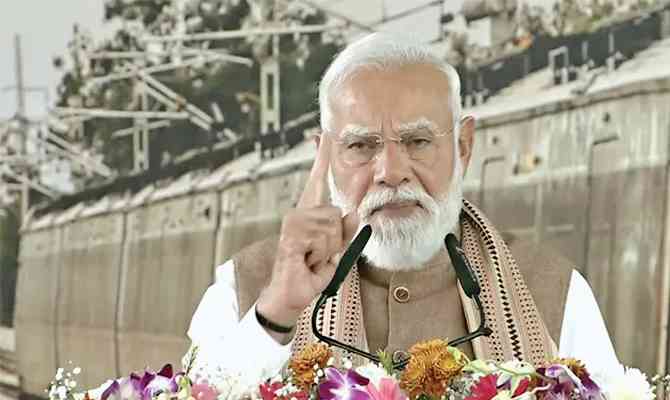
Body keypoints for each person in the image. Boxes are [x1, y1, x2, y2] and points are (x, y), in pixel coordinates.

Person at [184, 33, 619, 387]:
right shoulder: (244, 288)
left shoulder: (554, 293)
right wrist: (275, 315)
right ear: (324, 156)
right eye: (360, 145)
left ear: (464, 147)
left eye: (418, 141)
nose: (390, 172)